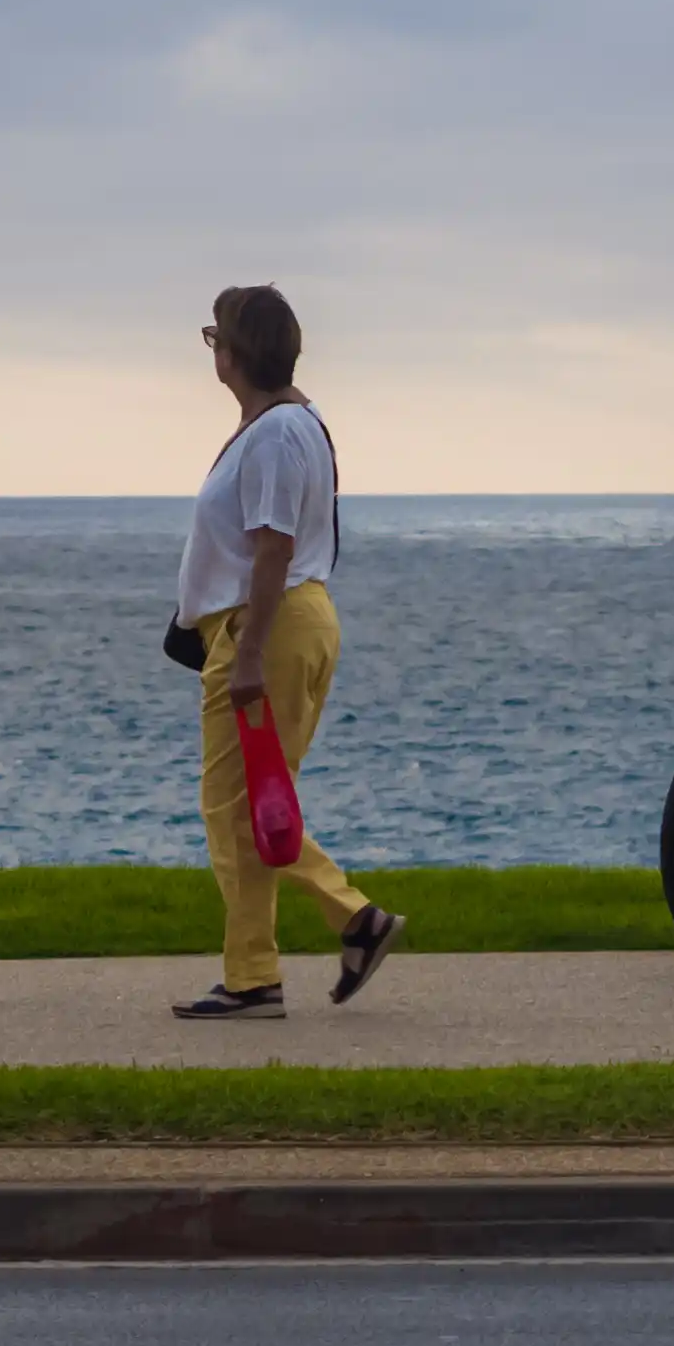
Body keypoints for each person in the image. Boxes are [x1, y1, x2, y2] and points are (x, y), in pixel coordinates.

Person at [170, 283, 403, 1019]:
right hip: (286, 623)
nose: (213, 350)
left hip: (264, 629)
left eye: (216, 338)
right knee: (253, 805)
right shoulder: (292, 424)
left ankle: (346, 922)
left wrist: (247, 656)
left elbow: (273, 547)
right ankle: (255, 973)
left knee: (235, 808)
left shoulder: (274, 436)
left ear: (234, 354)